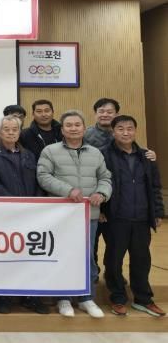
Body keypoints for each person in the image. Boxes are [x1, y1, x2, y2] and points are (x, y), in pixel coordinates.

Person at [37, 110, 112, 319]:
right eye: (68, 125)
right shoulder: (50, 151)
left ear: (84, 128)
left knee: (87, 258)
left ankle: (87, 298)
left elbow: (105, 178)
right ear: (62, 130)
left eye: (77, 125)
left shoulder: (95, 153)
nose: (73, 128)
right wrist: (68, 190)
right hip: (61, 215)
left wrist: (102, 193)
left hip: (89, 215)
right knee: (63, 256)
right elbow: (43, 176)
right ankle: (63, 298)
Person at [100, 115, 165, 317]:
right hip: (115, 217)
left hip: (142, 218)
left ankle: (143, 299)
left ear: (135, 131)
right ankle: (118, 298)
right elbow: (99, 183)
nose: (126, 132)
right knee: (114, 260)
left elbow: (154, 186)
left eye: (130, 128)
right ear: (113, 132)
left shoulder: (146, 156)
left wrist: (157, 211)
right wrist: (101, 210)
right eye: (120, 129)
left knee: (141, 260)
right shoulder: (103, 154)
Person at [0, 116, 49, 315]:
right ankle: (4, 297)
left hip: (30, 215)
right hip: (5, 214)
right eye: (6, 129)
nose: (11, 132)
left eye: (14, 129)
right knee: (6, 257)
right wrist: (14, 204)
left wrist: (34, 204)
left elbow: (38, 182)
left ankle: (31, 297)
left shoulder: (29, 155)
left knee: (30, 257)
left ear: (19, 132)